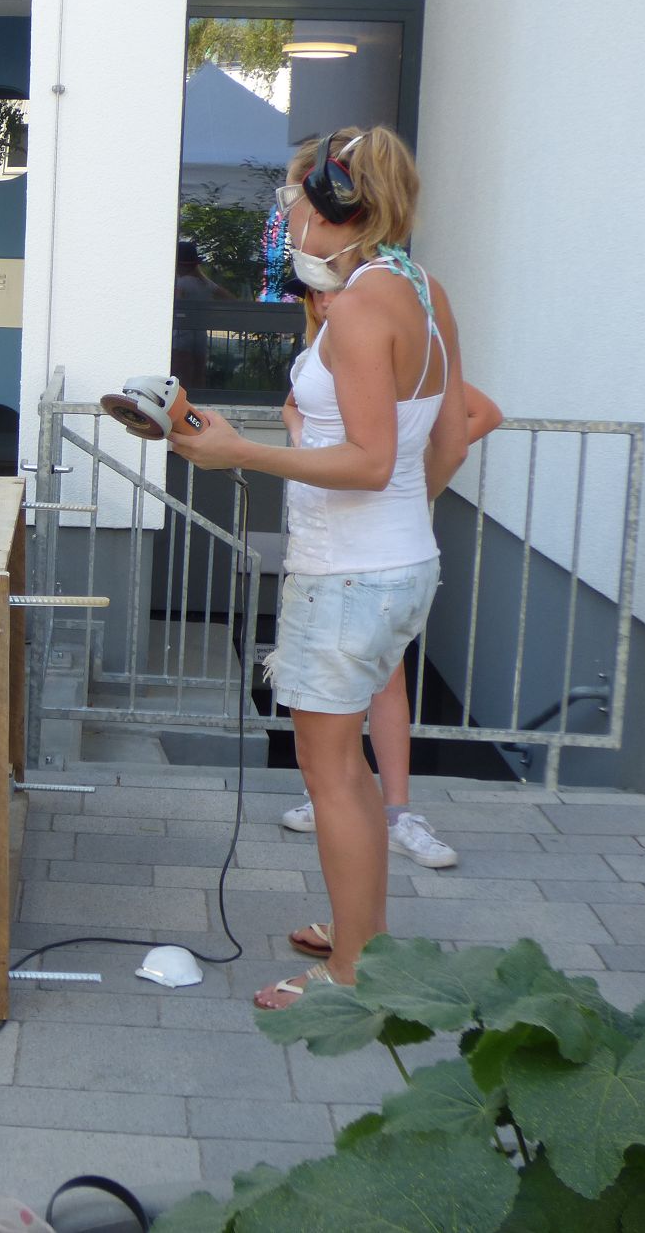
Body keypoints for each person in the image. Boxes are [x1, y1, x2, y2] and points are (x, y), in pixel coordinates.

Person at [168, 126, 469, 1009]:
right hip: (398, 562)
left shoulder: (360, 311)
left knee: (330, 773)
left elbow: (370, 461)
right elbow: (448, 439)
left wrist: (238, 453)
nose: (289, 216)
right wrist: (395, 523)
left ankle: (347, 975)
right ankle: (358, 934)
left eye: (294, 199)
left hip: (345, 578)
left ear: (335, 205)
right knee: (350, 771)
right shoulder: (422, 290)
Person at [277, 281, 503, 872]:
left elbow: (480, 413)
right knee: (356, 692)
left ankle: (392, 812)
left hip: (363, 557)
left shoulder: (385, 339)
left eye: (333, 289)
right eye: (314, 295)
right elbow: (296, 408)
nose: (325, 302)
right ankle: (350, 803)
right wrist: (303, 438)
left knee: (380, 685)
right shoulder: (321, 351)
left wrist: (409, 481)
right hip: (346, 551)